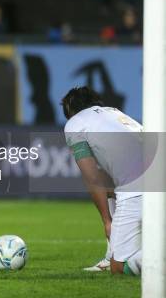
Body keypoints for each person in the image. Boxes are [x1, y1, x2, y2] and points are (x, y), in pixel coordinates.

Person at [62, 86, 142, 275]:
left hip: (138, 187)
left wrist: (107, 222)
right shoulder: (115, 114)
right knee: (111, 185)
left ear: (70, 110)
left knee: (119, 269)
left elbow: (92, 178)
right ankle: (110, 254)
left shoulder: (75, 123)